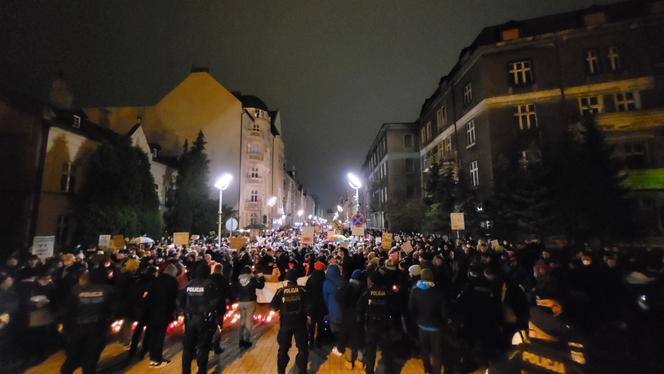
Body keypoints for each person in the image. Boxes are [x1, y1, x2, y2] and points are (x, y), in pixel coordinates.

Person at [60, 270, 114, 374]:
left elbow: (67, 310)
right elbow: (113, 309)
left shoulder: (75, 290)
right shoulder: (107, 290)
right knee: (91, 358)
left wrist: (66, 328)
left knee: (72, 357)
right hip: (97, 328)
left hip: (77, 328)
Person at [181, 263, 220, 374]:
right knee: (203, 347)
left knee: (188, 348)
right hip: (205, 320)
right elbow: (215, 301)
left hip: (189, 319)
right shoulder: (209, 284)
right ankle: (201, 371)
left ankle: (185, 371)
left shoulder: (189, 284)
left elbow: (180, 300)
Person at [408, 268, 448, 374]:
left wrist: (416, 320)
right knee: (436, 353)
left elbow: (411, 309)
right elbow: (444, 312)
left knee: (424, 350)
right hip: (436, 327)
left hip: (422, 325)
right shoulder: (439, 292)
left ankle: (427, 370)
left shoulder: (415, 290)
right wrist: (444, 323)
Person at [270, 269, 309, 374]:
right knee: (302, 349)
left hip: (285, 324)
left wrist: (281, 305)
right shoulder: (303, 290)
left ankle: (281, 371)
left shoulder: (280, 291)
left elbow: (272, 307)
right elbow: (308, 306)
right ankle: (302, 370)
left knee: (283, 349)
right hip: (300, 323)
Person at [357, 271, 395, 374]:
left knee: (370, 351)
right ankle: (388, 370)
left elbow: (359, 308)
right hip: (384, 325)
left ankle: (369, 371)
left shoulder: (367, 292)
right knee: (386, 350)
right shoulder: (387, 292)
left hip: (371, 325)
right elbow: (393, 308)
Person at [144, 263, 178, 368]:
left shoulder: (156, 280)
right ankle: (157, 359)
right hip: (164, 313)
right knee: (160, 337)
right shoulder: (173, 282)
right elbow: (173, 300)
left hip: (152, 312)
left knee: (153, 335)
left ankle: (152, 358)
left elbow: (148, 296)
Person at [234, 265, 265, 348]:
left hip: (241, 302)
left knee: (242, 321)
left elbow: (235, 289)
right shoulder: (252, 278)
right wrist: (261, 277)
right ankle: (246, 341)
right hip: (250, 301)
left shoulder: (239, 279)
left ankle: (240, 340)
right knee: (248, 321)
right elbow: (260, 286)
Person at [323, 264, 344, 356]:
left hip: (333, 310)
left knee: (335, 329)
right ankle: (343, 343)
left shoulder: (326, 283)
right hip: (344, 309)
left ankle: (339, 347)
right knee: (343, 328)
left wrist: (328, 308)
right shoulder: (343, 280)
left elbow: (325, 298)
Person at [210, 263, 232, 354]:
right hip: (220, 306)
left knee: (209, 326)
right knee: (218, 327)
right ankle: (216, 346)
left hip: (209, 306)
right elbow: (228, 294)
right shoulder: (224, 280)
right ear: (221, 270)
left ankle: (210, 344)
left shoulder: (209, 279)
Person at [305, 260, 326, 348]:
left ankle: (311, 341)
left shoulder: (310, 278)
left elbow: (306, 291)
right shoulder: (324, 279)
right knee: (321, 323)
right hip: (321, 304)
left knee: (312, 323)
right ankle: (319, 341)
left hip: (312, 304)